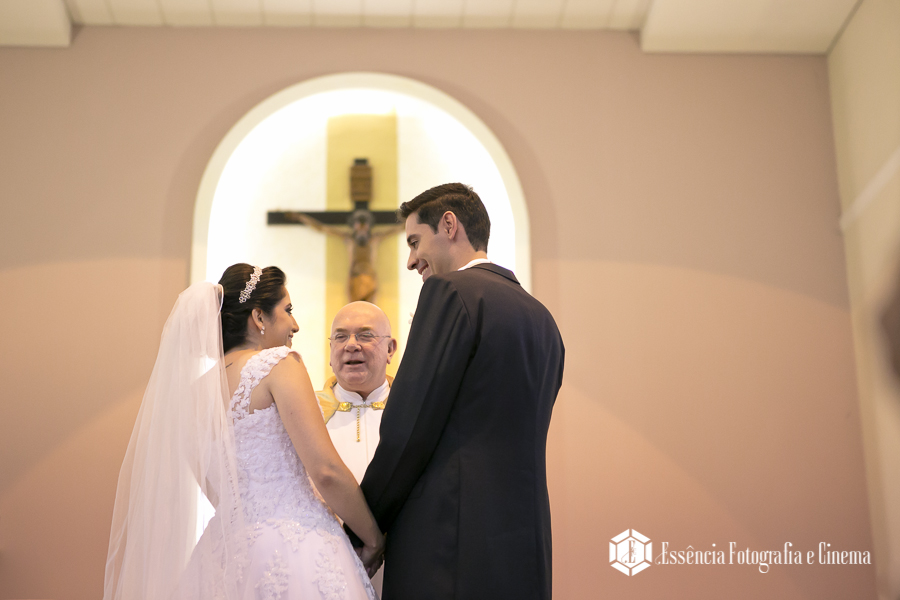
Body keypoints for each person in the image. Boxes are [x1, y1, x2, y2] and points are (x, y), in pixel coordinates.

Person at [103, 264, 384, 600]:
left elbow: (211, 489)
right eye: (287, 310)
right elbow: (325, 471)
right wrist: (374, 538)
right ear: (259, 317)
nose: (295, 324)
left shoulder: (194, 396)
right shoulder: (279, 365)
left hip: (224, 554)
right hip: (294, 547)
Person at [351, 184, 565, 600]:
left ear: (449, 224)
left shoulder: (450, 294)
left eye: (415, 242)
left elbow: (408, 428)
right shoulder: (542, 319)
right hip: (525, 543)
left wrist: (363, 524)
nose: (412, 261)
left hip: (448, 541)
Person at [317, 301, 398, 596]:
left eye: (365, 335)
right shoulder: (305, 414)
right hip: (324, 568)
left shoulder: (416, 413)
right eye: (340, 337)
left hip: (403, 568)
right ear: (329, 352)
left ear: (390, 349)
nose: (351, 345)